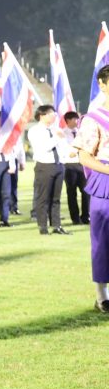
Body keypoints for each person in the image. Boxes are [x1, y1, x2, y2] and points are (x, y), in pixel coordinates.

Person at [76, 66, 109, 312]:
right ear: (102, 84)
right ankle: (102, 296)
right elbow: (84, 157)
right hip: (105, 182)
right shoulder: (93, 119)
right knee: (103, 239)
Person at [27, 104, 70, 235]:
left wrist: (63, 158)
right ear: (42, 115)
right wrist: (57, 137)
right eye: (51, 113)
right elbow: (44, 147)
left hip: (58, 164)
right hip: (44, 166)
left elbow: (63, 146)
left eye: (54, 113)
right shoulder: (34, 131)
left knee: (56, 198)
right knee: (43, 198)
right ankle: (43, 226)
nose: (54, 116)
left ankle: (56, 225)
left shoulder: (56, 129)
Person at [63, 111, 90, 225]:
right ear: (68, 120)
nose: (78, 121)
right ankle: (75, 218)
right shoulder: (63, 133)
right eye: (76, 119)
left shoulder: (81, 132)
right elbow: (66, 149)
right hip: (69, 165)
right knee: (71, 192)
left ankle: (86, 216)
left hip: (82, 164)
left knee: (86, 191)